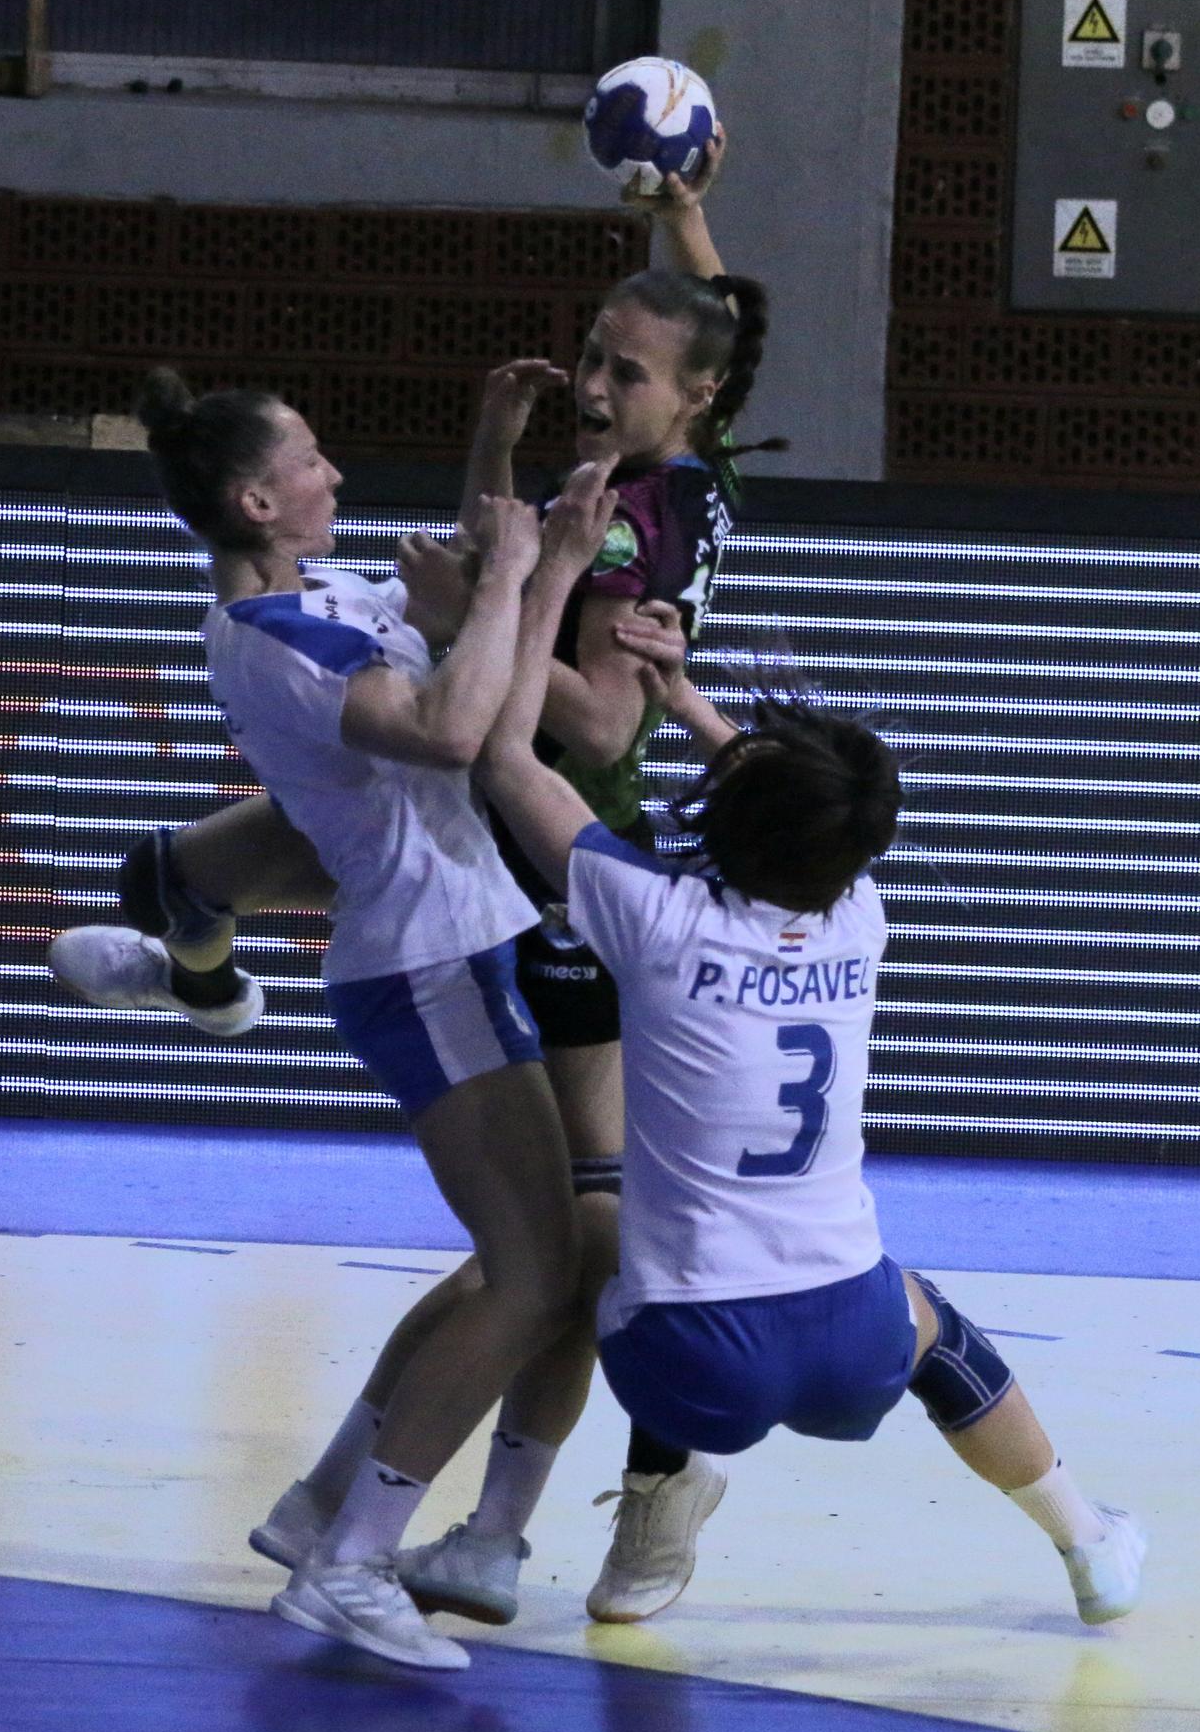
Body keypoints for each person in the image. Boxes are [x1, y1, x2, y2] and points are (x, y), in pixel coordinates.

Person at [53, 145, 783, 1624]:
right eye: (587, 353)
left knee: (553, 1253)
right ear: (262, 502)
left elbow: (572, 696)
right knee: (537, 1263)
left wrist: (504, 550)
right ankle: (377, 1544)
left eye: (618, 369)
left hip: (509, 884)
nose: (590, 383)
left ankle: (417, 1515)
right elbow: (466, 681)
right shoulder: (304, 621)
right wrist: (521, 539)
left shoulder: (641, 515)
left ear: (691, 397)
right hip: (443, 914)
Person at [458, 549, 1151, 1632]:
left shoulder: (652, 913)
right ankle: (1088, 1541)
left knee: (596, 1251)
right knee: (934, 1327)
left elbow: (504, 756)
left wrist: (527, 581)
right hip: (849, 1344)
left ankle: (600, 1525)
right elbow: (800, 809)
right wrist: (683, 696)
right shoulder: (856, 910)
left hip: (687, 1360)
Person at [65, 366, 623, 1671]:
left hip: (437, 955)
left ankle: (326, 1509)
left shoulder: (307, 600)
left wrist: (505, 463)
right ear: (258, 500)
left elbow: (462, 604)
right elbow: (449, 726)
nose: (337, 476)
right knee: (538, 1276)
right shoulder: (284, 644)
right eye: (312, 458)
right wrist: (522, 582)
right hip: (425, 969)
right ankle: (350, 1564)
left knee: (516, 1268)